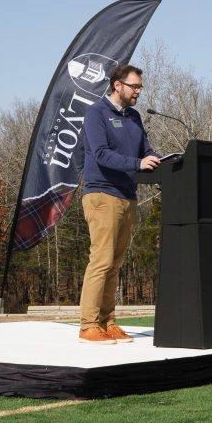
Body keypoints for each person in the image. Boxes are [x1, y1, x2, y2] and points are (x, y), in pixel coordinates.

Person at [78, 64, 161, 344]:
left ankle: (107, 322)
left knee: (114, 264)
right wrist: (138, 163)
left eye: (140, 87)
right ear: (117, 85)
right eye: (134, 86)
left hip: (127, 196)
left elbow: (146, 150)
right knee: (101, 262)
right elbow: (101, 154)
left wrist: (161, 160)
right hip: (102, 194)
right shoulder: (96, 113)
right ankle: (89, 325)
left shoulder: (134, 117)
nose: (138, 91)